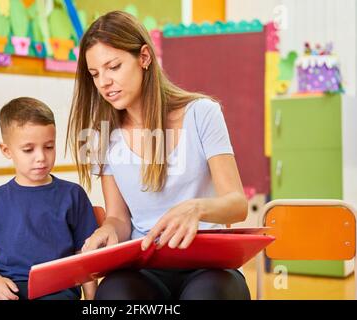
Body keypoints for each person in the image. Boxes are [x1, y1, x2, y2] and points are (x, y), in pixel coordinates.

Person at [66, 11, 251, 300]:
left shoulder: (202, 113)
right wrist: (109, 230)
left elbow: (237, 204)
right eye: (95, 74)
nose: (103, 82)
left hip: (209, 266)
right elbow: (118, 217)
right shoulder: (102, 136)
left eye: (113, 66)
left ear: (144, 58)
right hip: (144, 266)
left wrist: (197, 208)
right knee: (113, 296)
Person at [0, 97, 98, 300]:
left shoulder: (72, 195)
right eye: (28, 150)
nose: (41, 157)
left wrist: (92, 301)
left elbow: (85, 257)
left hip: (57, 290)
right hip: (8, 289)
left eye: (49, 147)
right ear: (6, 151)